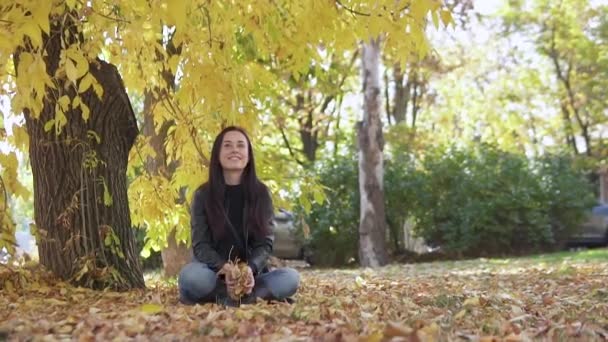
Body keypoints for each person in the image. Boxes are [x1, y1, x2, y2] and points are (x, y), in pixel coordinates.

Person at [178, 126, 300, 306]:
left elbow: (265, 244)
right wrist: (224, 268)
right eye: (227, 145)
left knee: (291, 277)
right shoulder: (203, 194)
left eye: (240, 145)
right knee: (190, 276)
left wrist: (250, 269)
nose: (234, 149)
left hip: (251, 276)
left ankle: (238, 296)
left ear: (248, 155)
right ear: (217, 155)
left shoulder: (261, 193)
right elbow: (200, 244)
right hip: (213, 274)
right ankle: (237, 296)